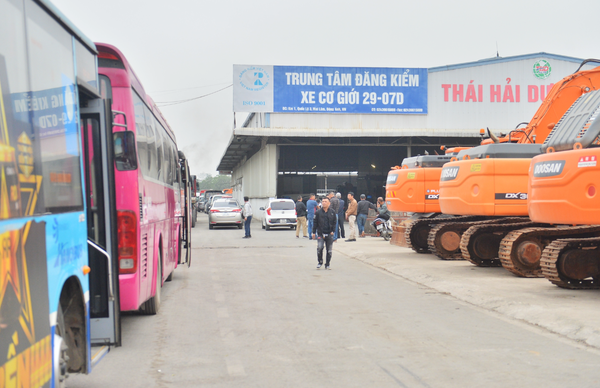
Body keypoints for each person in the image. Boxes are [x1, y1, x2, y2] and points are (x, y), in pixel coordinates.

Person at [312, 197, 337, 269]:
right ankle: (320, 262)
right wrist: (313, 232)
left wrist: (333, 231)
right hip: (320, 233)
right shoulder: (318, 212)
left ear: (329, 203)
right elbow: (315, 222)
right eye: (323, 201)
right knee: (320, 248)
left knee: (329, 250)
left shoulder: (332, 212)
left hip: (329, 234)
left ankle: (327, 264)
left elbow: (335, 222)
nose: (324, 203)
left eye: (326, 201)